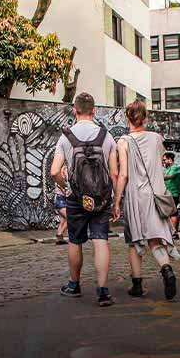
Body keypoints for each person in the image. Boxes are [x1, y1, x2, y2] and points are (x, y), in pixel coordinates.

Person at [51, 93, 119, 307]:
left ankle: (74, 285)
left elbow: (54, 171)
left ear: (75, 110)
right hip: (101, 198)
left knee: (75, 240)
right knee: (100, 240)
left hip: (76, 198)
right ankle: (103, 291)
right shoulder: (106, 136)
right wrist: (116, 200)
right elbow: (114, 173)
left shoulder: (65, 137)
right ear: (94, 110)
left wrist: (66, 187)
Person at [113, 100, 180, 300]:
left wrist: (117, 201)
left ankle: (137, 285)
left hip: (136, 196)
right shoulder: (157, 139)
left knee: (135, 241)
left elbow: (124, 175)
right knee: (156, 239)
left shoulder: (123, 142)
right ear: (146, 117)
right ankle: (166, 269)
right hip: (156, 195)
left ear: (128, 118)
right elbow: (157, 164)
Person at [162, 152, 180, 235]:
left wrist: (158, 177)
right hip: (167, 194)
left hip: (173, 194)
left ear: (170, 160)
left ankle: (173, 233)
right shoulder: (168, 169)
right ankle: (170, 232)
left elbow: (170, 176)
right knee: (168, 213)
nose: (163, 162)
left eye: (165, 160)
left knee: (173, 213)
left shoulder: (175, 167)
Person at [54, 166, 68, 244]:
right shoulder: (60, 180)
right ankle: (59, 234)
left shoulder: (63, 180)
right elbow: (65, 191)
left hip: (62, 200)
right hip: (60, 200)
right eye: (65, 171)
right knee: (70, 218)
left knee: (63, 220)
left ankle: (59, 239)